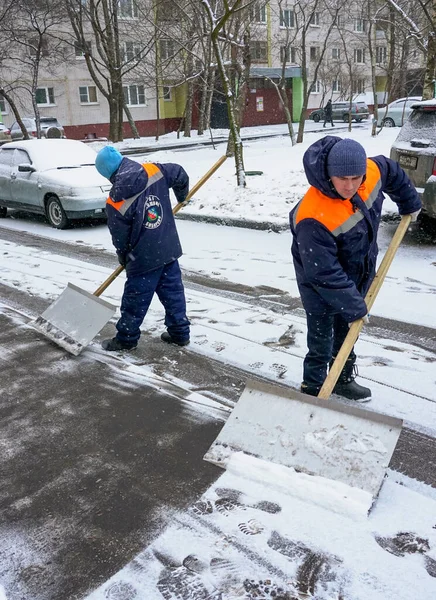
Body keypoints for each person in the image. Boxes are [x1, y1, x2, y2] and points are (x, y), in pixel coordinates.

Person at [289, 137, 421, 401]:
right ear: (329, 174)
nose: (350, 186)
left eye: (355, 178)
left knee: (347, 333)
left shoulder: (370, 174)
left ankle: (342, 379)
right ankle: (313, 388)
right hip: (319, 285)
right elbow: (323, 273)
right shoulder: (313, 217)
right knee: (321, 339)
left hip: (357, 271)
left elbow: (391, 171)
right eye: (342, 179)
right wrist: (354, 307)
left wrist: (410, 202)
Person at [95, 146, 191, 351]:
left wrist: (123, 256)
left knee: (135, 301)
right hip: (168, 248)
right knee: (173, 294)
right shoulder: (154, 170)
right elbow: (180, 174)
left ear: (107, 173)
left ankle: (126, 339)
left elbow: (120, 238)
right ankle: (180, 333)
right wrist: (182, 196)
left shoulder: (115, 200)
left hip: (143, 259)